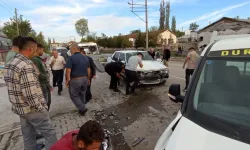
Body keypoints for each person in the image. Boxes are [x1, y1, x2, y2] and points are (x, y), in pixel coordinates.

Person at [4, 37, 57, 150]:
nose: (36, 51)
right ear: (30, 49)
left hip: (20, 109)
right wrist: (41, 107)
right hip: (32, 110)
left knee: (28, 136)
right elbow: (30, 94)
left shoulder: (11, 63)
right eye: (35, 49)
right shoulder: (26, 65)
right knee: (50, 134)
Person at [65, 43, 91, 116]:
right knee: (82, 94)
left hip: (75, 80)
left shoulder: (71, 58)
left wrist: (67, 80)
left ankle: (82, 108)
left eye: (70, 50)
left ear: (74, 49)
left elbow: (68, 70)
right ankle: (82, 110)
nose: (70, 51)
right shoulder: (85, 58)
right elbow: (88, 70)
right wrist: (88, 79)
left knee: (73, 95)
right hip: (85, 79)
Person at [31, 44, 52, 110]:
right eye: (42, 49)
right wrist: (46, 79)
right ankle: (45, 116)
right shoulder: (35, 60)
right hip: (42, 84)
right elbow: (38, 73)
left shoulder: (38, 59)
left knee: (47, 101)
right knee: (45, 102)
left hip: (44, 83)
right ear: (39, 49)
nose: (43, 52)